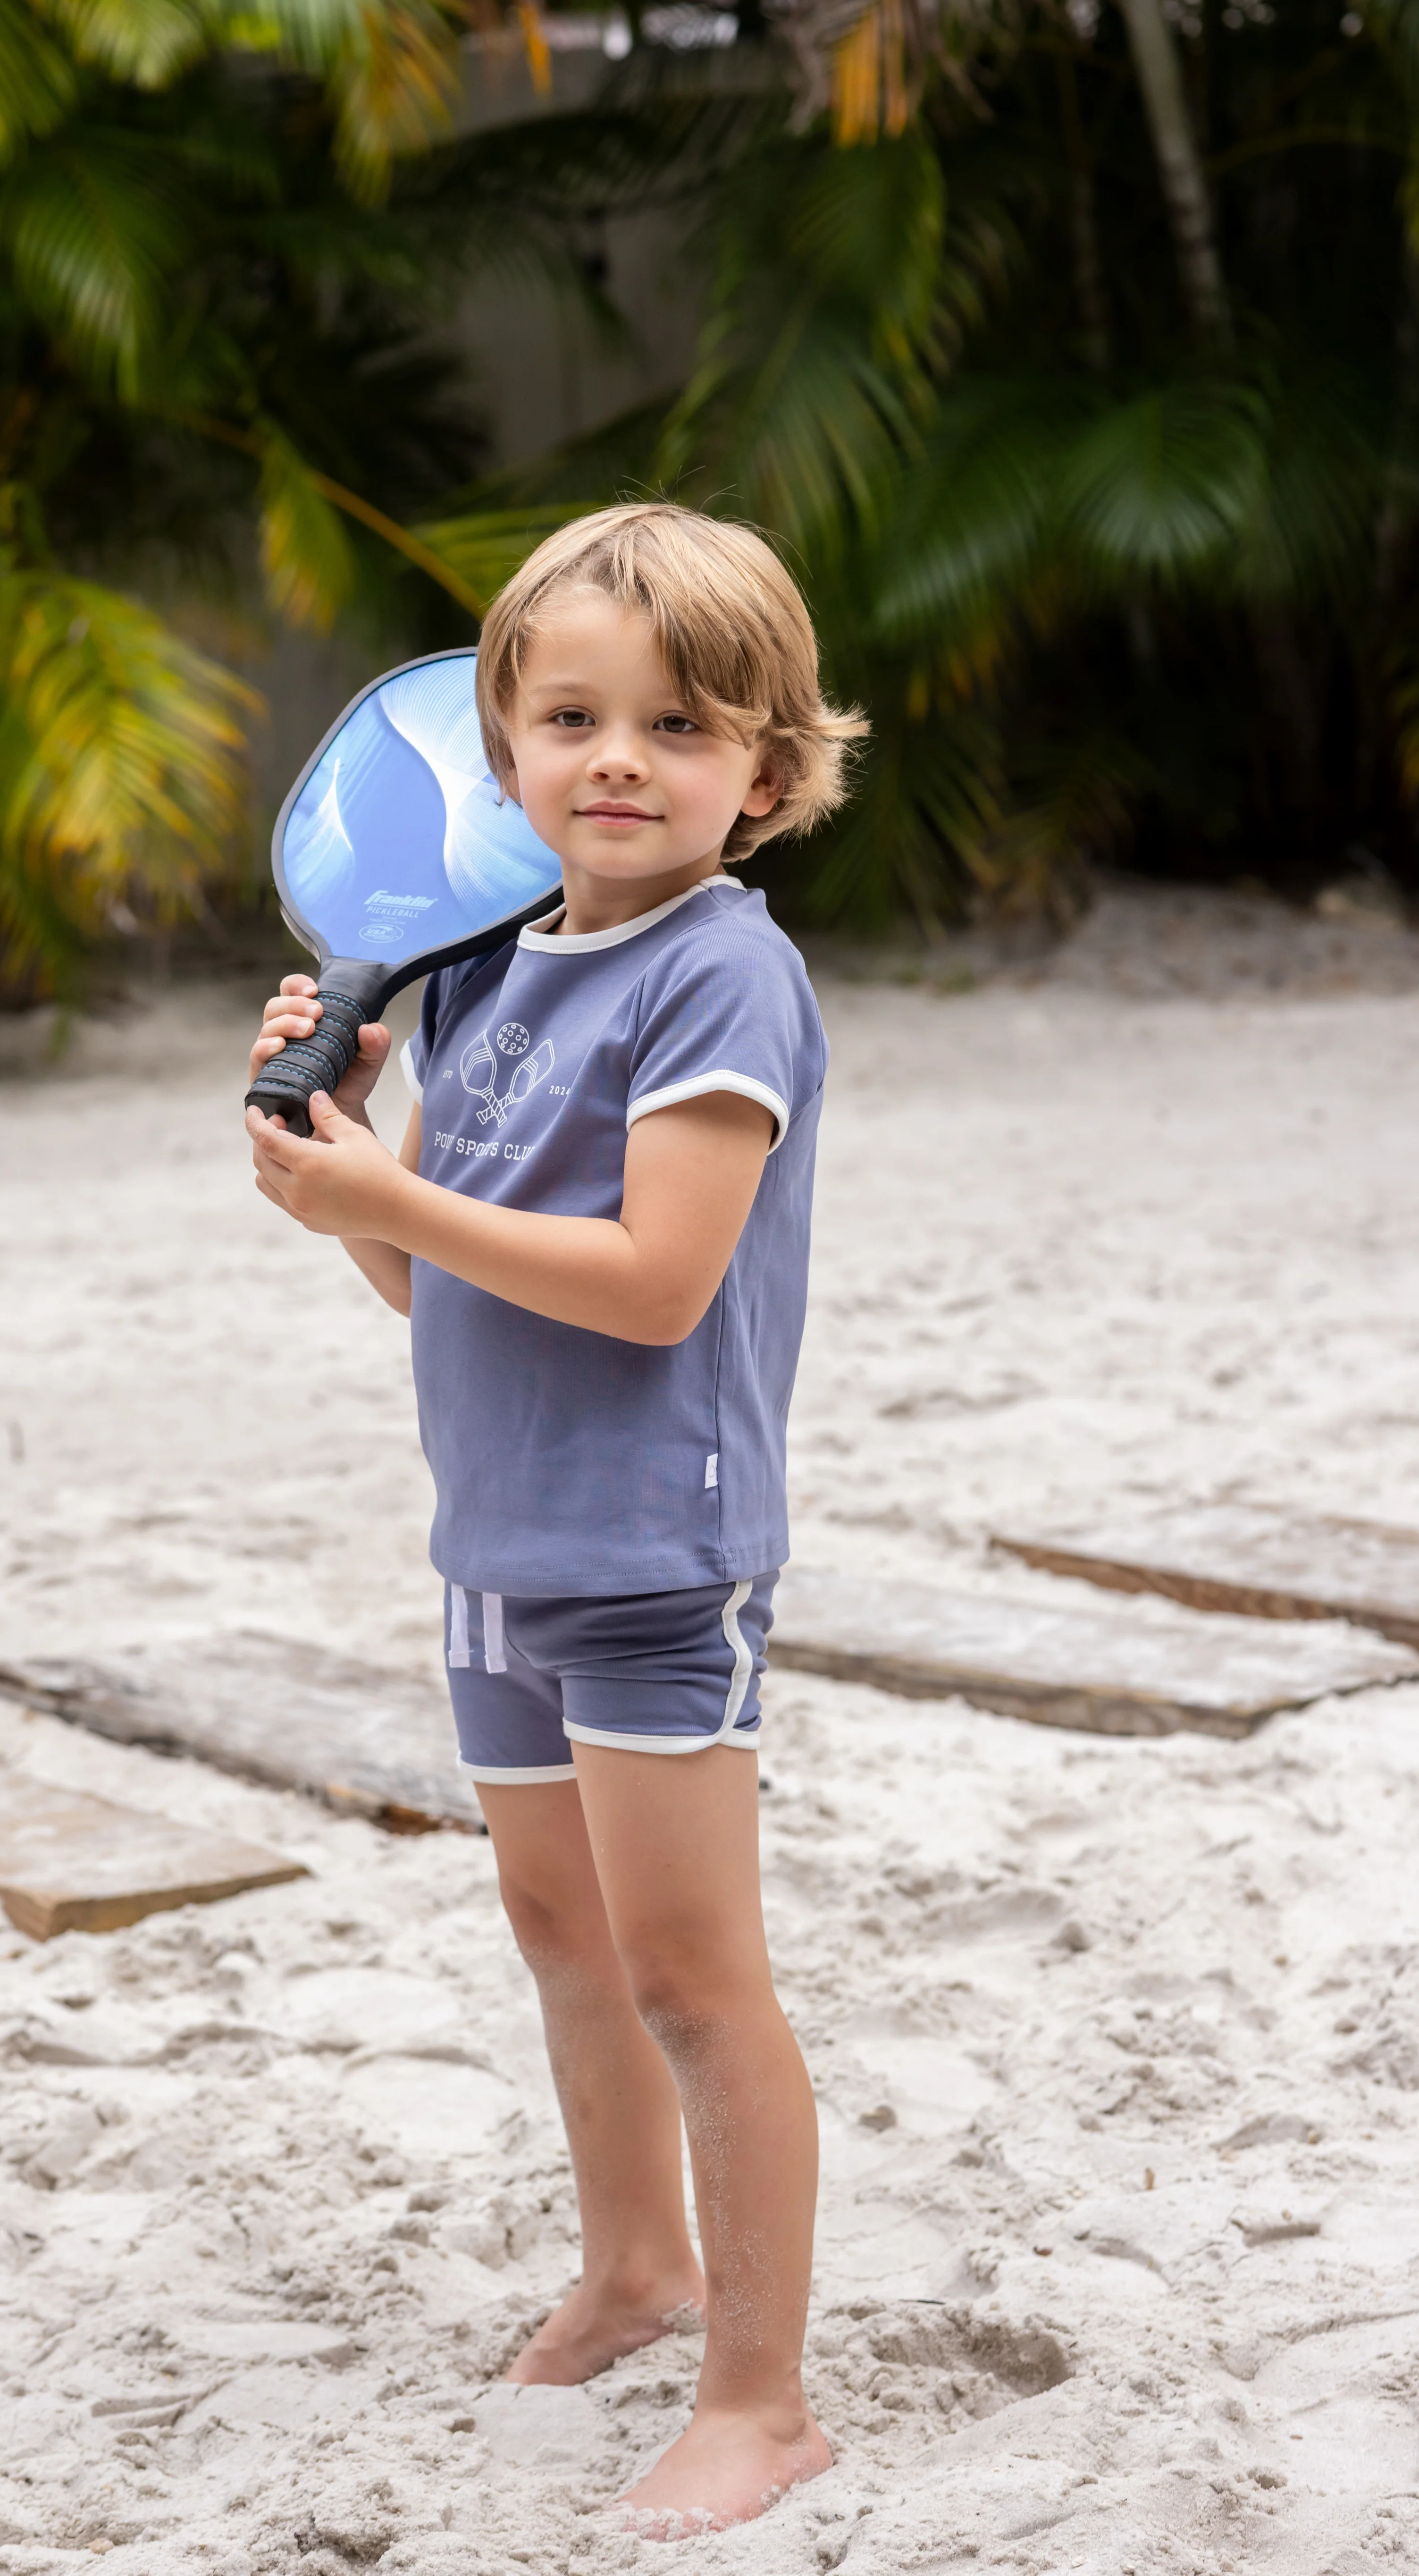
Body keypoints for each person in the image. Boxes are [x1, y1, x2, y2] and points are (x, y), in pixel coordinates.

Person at [244, 501, 864, 2537]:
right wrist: (340, 1176)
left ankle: (760, 2397)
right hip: (496, 1536)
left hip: (657, 1555)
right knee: (560, 1933)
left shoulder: (723, 979)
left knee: (695, 1973)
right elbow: (447, 1282)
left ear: (761, 777)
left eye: (678, 725)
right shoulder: (490, 973)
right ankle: (633, 2265)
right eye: (571, 714)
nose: (618, 758)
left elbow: (652, 1279)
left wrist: (387, 1195)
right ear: (500, 743)